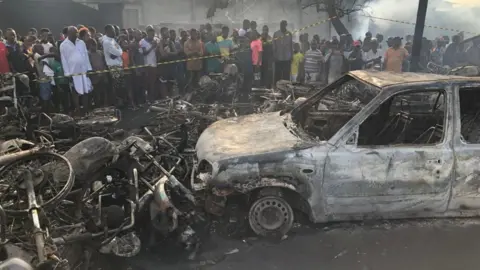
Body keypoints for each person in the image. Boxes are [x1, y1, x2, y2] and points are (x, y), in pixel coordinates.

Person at [60, 26, 93, 115]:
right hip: (73, 72)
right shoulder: (63, 45)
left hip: (83, 70)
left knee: (86, 90)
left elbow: (85, 56)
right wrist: (67, 74)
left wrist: (89, 69)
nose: (76, 34)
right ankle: (78, 109)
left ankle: (85, 109)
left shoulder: (81, 42)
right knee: (75, 91)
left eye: (77, 33)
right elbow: (64, 60)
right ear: (69, 34)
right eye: (74, 33)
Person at [5, 29, 31, 94]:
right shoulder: (4, 47)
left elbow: (28, 56)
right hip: (12, 74)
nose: (13, 36)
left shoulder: (20, 44)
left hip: (24, 71)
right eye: (11, 35)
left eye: (14, 34)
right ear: (6, 36)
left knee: (26, 91)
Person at [102, 24, 124, 106]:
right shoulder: (107, 42)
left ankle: (120, 101)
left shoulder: (112, 40)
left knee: (120, 85)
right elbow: (118, 52)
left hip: (118, 64)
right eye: (112, 30)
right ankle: (117, 103)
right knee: (116, 85)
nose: (114, 32)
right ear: (107, 31)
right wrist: (118, 52)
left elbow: (120, 51)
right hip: (113, 66)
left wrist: (118, 52)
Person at [48, 47, 71, 113]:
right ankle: (61, 112)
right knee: (60, 99)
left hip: (66, 82)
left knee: (67, 98)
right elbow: (54, 76)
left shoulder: (63, 62)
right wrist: (58, 86)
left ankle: (67, 111)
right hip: (59, 84)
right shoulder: (53, 64)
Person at [87, 39, 109, 107]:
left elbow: (104, 63)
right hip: (94, 78)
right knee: (96, 93)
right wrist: (95, 73)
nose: (94, 46)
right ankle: (98, 106)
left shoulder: (100, 52)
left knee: (104, 91)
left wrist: (104, 72)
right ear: (89, 46)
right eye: (93, 45)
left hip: (103, 75)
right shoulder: (88, 54)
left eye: (95, 45)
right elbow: (88, 65)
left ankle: (105, 105)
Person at [140, 25, 158, 102]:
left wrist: (156, 47)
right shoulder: (143, 41)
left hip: (154, 64)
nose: (152, 34)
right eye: (150, 32)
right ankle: (146, 99)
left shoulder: (156, 40)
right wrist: (152, 47)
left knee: (153, 83)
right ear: (147, 32)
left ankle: (152, 98)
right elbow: (144, 53)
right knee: (147, 83)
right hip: (147, 64)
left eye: (153, 32)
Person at [158, 27, 177, 97]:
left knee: (171, 83)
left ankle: (171, 98)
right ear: (162, 33)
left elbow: (175, 53)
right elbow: (162, 54)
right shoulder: (160, 42)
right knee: (163, 83)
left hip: (171, 66)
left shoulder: (170, 42)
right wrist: (168, 53)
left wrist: (168, 53)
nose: (167, 33)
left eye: (167, 32)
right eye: (166, 32)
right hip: (163, 67)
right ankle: (165, 99)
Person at [32, 44, 52, 112]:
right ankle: (45, 113)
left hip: (43, 79)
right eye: (40, 49)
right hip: (44, 80)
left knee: (46, 98)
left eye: (43, 49)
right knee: (45, 98)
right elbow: (47, 65)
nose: (42, 50)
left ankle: (46, 113)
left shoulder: (36, 56)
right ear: (36, 50)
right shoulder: (38, 56)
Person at [273, 20, 293, 84]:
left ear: (286, 25)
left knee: (286, 76)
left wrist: (291, 56)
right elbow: (274, 45)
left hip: (287, 58)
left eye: (283, 24)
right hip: (278, 58)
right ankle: (277, 89)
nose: (282, 26)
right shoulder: (276, 34)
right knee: (277, 75)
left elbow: (291, 45)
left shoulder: (289, 34)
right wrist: (274, 56)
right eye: (281, 25)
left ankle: (286, 89)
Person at [119, 36, 135, 108]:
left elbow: (131, 61)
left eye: (126, 43)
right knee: (126, 89)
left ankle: (131, 103)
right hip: (124, 72)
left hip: (129, 72)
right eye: (124, 44)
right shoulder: (120, 53)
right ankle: (128, 103)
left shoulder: (128, 52)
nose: (126, 45)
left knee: (130, 88)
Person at [236, 35, 253, 101]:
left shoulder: (250, 50)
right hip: (240, 72)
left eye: (243, 41)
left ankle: (248, 99)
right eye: (240, 41)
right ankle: (240, 99)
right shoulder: (236, 51)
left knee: (248, 87)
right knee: (240, 87)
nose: (241, 43)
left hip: (249, 71)